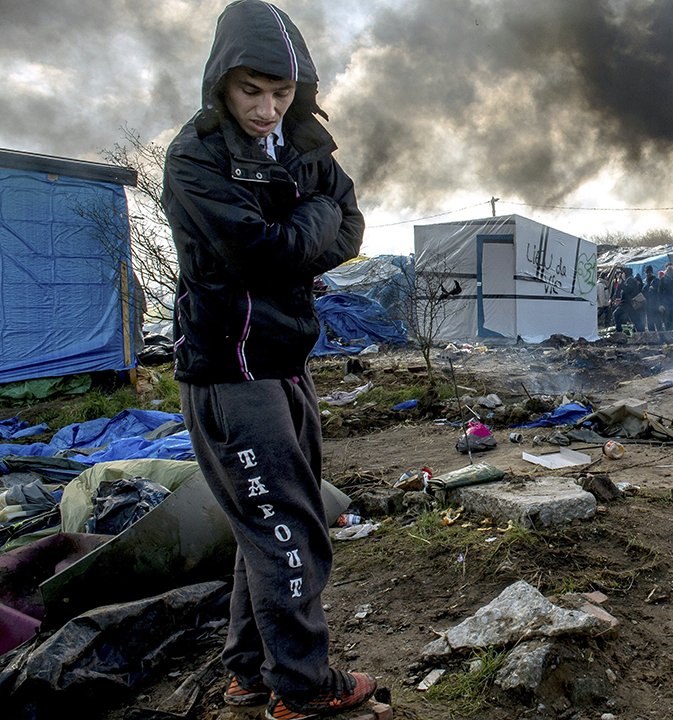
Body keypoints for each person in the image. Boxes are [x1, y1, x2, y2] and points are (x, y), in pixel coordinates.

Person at [161, 2, 375, 718]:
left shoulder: (306, 143)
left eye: (281, 93)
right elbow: (262, 250)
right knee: (288, 530)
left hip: (287, 361)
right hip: (229, 370)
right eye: (251, 90)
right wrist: (308, 222)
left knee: (276, 520)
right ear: (222, 80)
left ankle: (250, 672)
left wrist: (303, 226)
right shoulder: (196, 158)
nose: (266, 107)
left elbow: (352, 228)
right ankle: (302, 689)